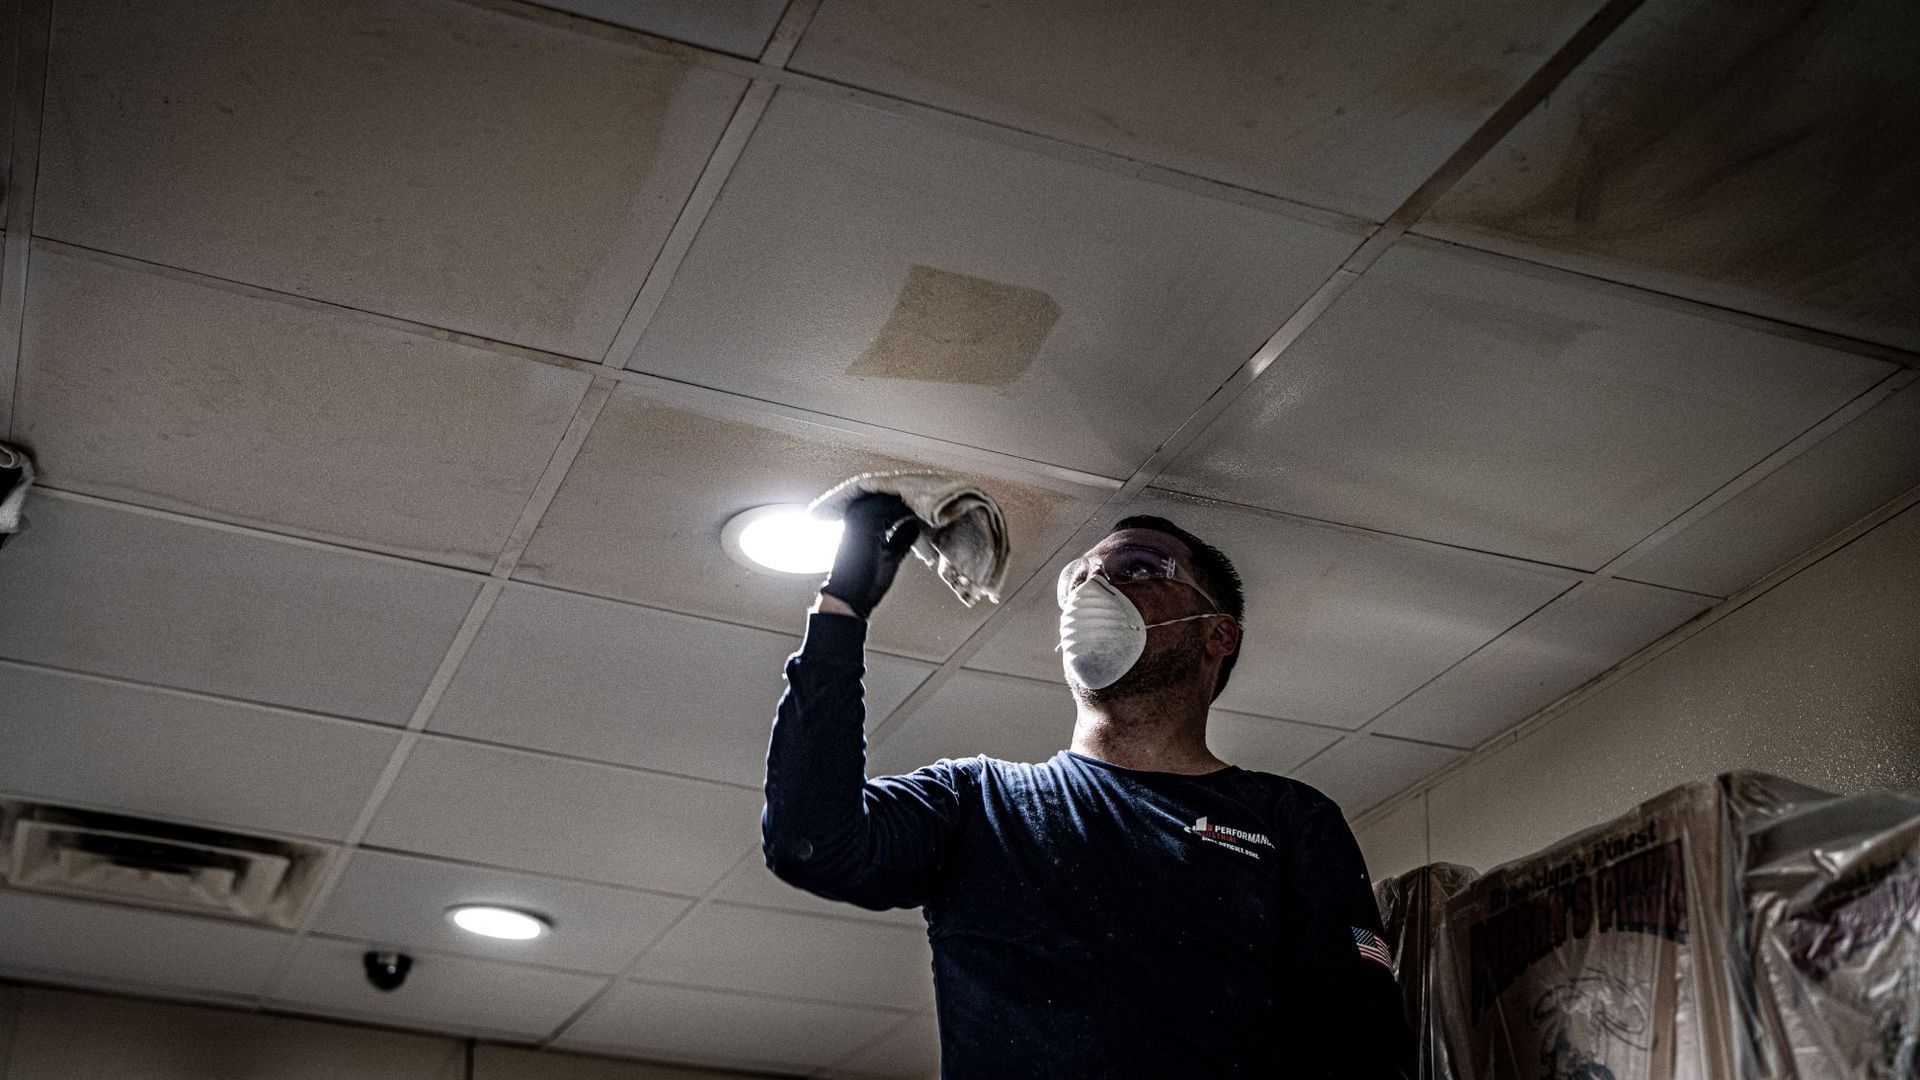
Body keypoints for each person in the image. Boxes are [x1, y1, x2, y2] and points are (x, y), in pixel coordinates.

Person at [762, 492, 1412, 1077]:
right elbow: (810, 841)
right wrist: (842, 608)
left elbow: (1364, 1040)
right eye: (1079, 579)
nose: (1094, 586)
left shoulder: (1288, 821)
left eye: (1136, 569)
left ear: (1218, 633)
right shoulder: (978, 802)